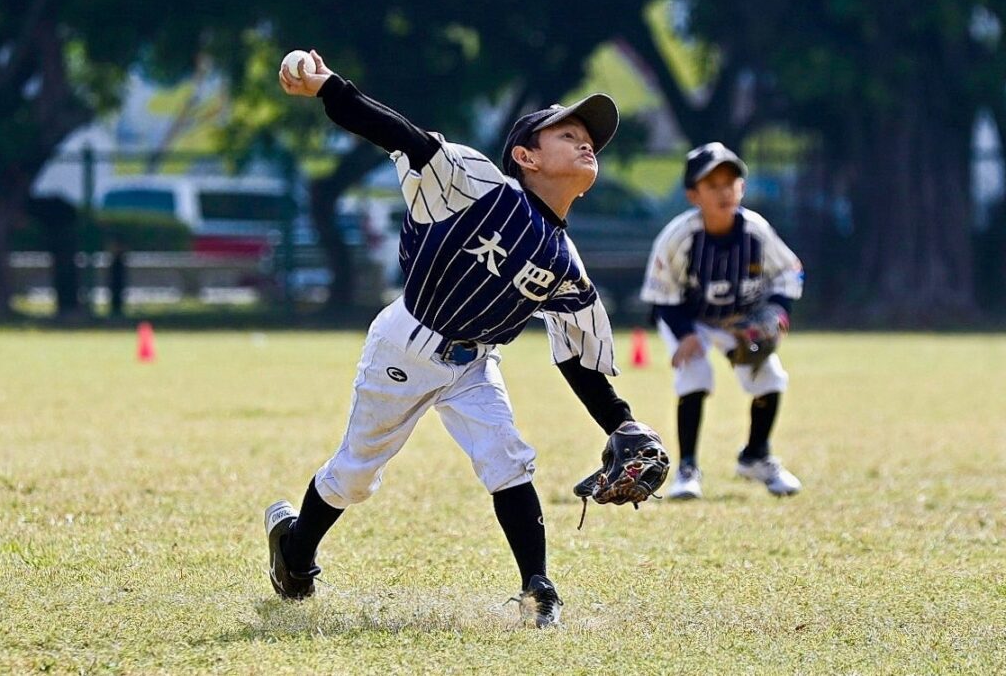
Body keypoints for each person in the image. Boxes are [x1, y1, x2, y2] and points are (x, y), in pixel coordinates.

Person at [266, 49, 645, 628]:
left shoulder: (567, 264)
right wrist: (329, 89)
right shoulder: (478, 186)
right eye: (567, 134)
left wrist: (621, 422)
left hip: (473, 364)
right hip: (406, 344)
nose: (585, 142)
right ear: (525, 156)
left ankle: (538, 588)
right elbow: (404, 138)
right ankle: (293, 552)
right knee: (356, 475)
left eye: (589, 138)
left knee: (508, 459)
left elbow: (578, 357)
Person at [640, 142, 804, 500]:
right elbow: (661, 295)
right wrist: (684, 335)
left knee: (771, 378)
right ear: (693, 195)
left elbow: (790, 273)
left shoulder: (756, 231)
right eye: (712, 184)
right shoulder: (679, 237)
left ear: (741, 189)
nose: (724, 191)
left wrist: (777, 311)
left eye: (730, 182)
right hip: (689, 317)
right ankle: (687, 470)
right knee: (695, 375)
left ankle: (755, 456)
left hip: (740, 319)